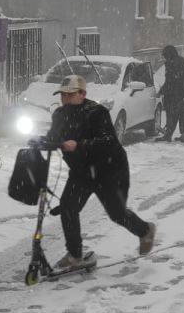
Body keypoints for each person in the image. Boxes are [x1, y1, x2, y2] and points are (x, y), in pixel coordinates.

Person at [43, 74, 156, 271]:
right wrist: (42, 142)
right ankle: (75, 255)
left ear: (82, 94)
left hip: (110, 169)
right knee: (68, 208)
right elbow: (53, 136)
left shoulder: (97, 112)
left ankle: (145, 230)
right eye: (62, 95)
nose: (65, 99)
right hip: (81, 171)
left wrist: (79, 145)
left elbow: (109, 142)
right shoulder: (59, 115)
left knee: (117, 213)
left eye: (70, 95)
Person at [156, 45, 184, 142]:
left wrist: (162, 91)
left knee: (175, 114)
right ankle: (182, 134)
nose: (164, 57)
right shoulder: (180, 61)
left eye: (165, 55)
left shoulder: (174, 63)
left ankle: (172, 135)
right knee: (180, 114)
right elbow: (172, 80)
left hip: (178, 94)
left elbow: (171, 80)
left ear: (169, 54)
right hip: (182, 93)